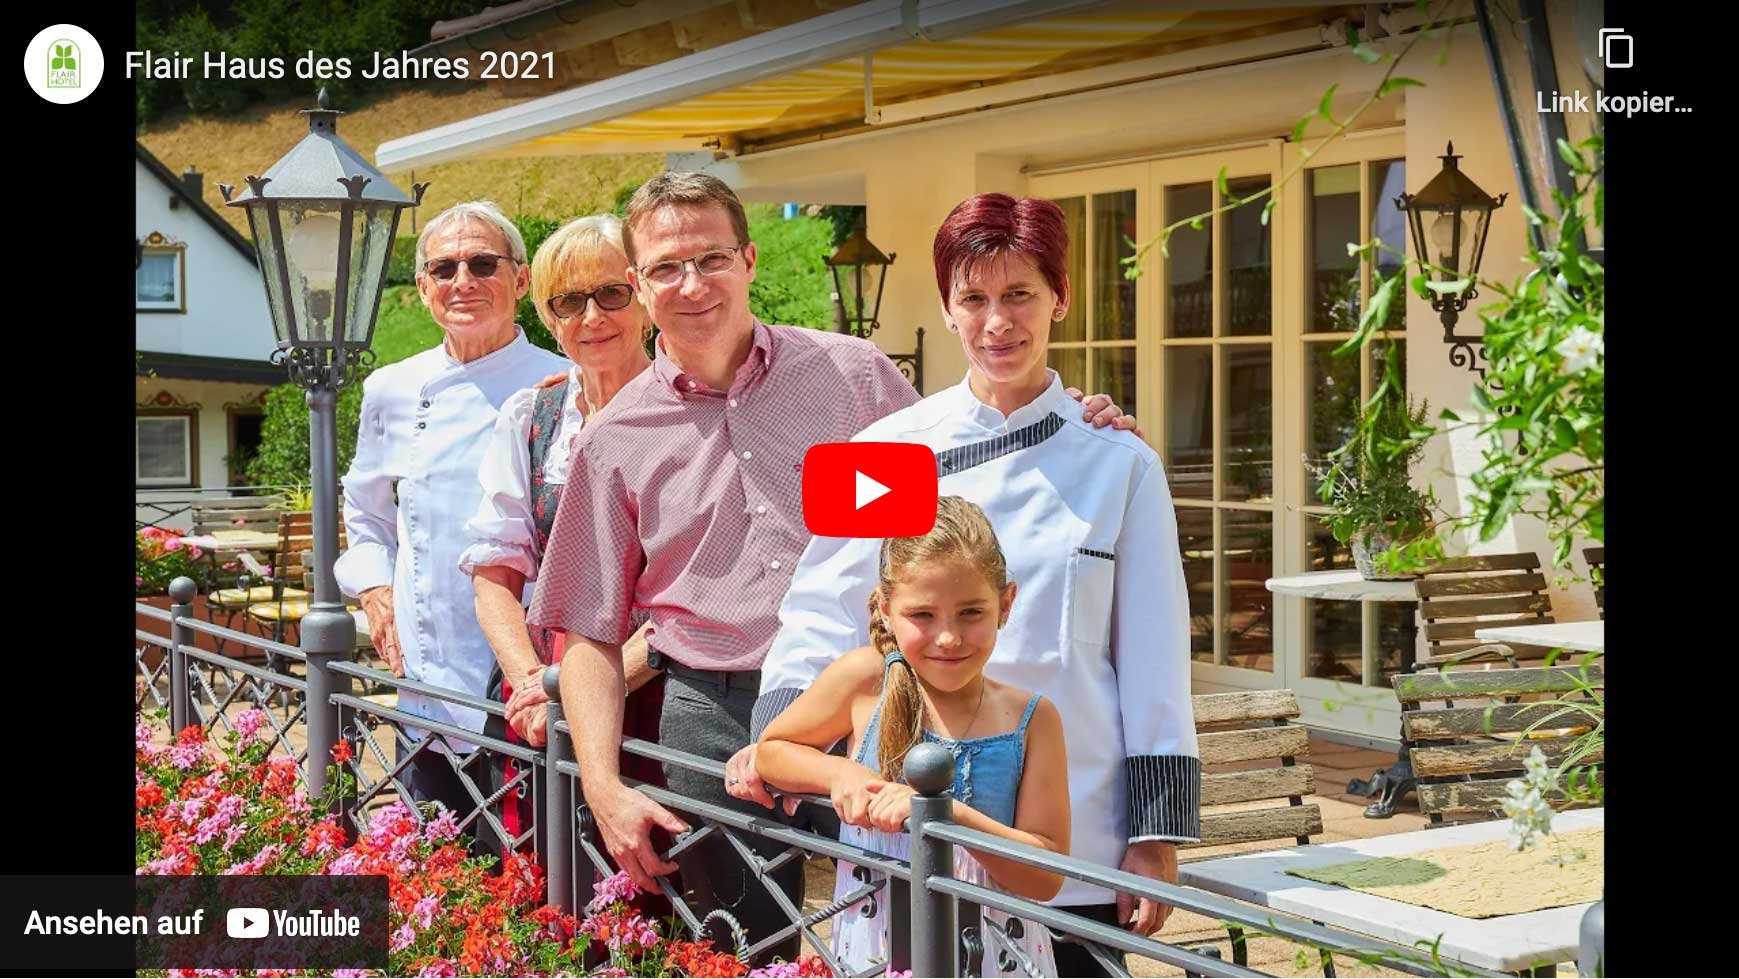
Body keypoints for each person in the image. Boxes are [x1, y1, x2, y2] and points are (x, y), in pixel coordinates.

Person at [525, 172, 1136, 960]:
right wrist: (603, 787)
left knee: (912, 941)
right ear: (639, 285)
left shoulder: (850, 379)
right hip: (708, 715)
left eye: (710, 258)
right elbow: (587, 630)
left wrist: (1074, 426)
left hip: (874, 698)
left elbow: (962, 484)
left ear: (748, 259)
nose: (692, 283)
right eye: (665, 268)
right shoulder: (614, 438)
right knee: (745, 950)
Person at [746, 193, 1200, 976]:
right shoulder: (890, 447)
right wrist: (772, 743)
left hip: (1067, 836)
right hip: (911, 826)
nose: (999, 322)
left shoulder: (1118, 461)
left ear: (1060, 296)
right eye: (974, 298)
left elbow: (1156, 654)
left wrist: (1154, 832)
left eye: (1019, 294)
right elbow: (820, 612)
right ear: (948, 309)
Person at [757, 497, 1069, 976]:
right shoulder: (865, 681)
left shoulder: (1032, 719)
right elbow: (772, 752)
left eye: (971, 613)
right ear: (886, 608)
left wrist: (950, 818)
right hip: (879, 950)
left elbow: (1046, 877)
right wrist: (839, 772)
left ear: (1006, 604)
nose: (948, 638)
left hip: (997, 957)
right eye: (923, 615)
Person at [336, 200, 569, 832]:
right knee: (433, 870)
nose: (462, 280)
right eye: (443, 268)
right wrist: (375, 589)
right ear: (422, 289)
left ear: (521, 281)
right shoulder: (391, 387)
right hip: (423, 670)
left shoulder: (566, 382)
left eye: (482, 263)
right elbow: (365, 512)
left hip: (526, 673)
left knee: (531, 877)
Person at [458, 214, 665, 851]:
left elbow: (711, 585)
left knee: (654, 899)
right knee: (542, 890)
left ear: (644, 301)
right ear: (549, 318)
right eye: (569, 301)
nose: (592, 317)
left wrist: (587, 690)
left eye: (610, 294)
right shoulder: (532, 414)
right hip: (539, 693)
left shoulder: (690, 410)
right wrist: (533, 685)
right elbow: (495, 573)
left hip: (656, 690)